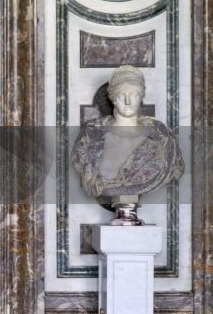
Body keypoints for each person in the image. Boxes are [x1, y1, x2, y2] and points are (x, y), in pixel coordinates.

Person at [72, 65, 184, 211]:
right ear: (112, 98)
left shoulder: (161, 138)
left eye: (133, 94)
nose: (127, 101)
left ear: (141, 96)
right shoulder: (90, 136)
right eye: (121, 95)